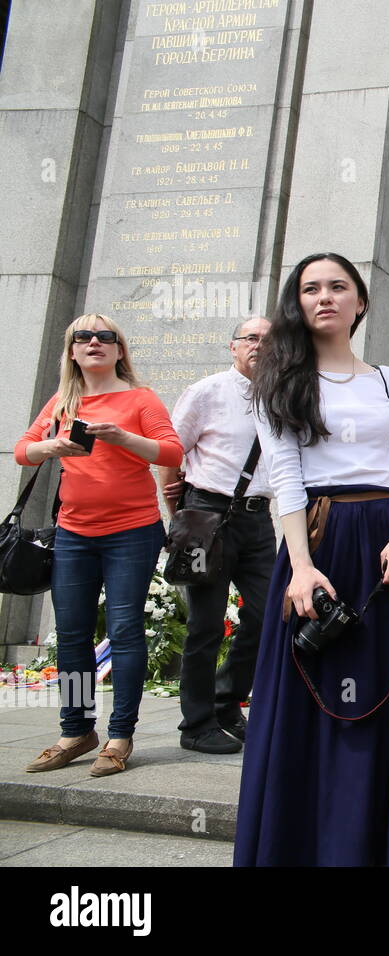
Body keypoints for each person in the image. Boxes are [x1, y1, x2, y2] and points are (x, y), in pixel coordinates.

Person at [234, 253, 389, 866]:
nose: (325, 296)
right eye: (310, 287)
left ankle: (367, 848)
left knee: (387, 690)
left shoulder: (388, 379)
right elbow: (286, 476)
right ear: (298, 302)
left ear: (360, 302)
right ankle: (297, 847)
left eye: (338, 286)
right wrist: (300, 565)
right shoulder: (281, 380)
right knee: (308, 693)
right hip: (318, 541)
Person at [17, 314, 182, 777]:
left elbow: (171, 451)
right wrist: (49, 449)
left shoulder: (140, 398)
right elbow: (22, 449)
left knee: (126, 631)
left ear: (118, 349)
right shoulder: (63, 400)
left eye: (104, 336)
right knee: (71, 636)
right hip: (73, 534)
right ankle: (76, 731)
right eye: (82, 337)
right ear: (72, 351)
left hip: (132, 531)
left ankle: (120, 736)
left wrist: (123, 437)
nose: (94, 342)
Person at [158, 316, 274, 754]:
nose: (259, 346)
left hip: (258, 520)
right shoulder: (207, 391)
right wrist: (178, 512)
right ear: (233, 346)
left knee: (266, 617)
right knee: (205, 624)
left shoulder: (280, 395)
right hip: (206, 512)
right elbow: (171, 450)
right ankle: (196, 723)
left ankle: (227, 702)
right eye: (251, 338)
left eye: (268, 339)